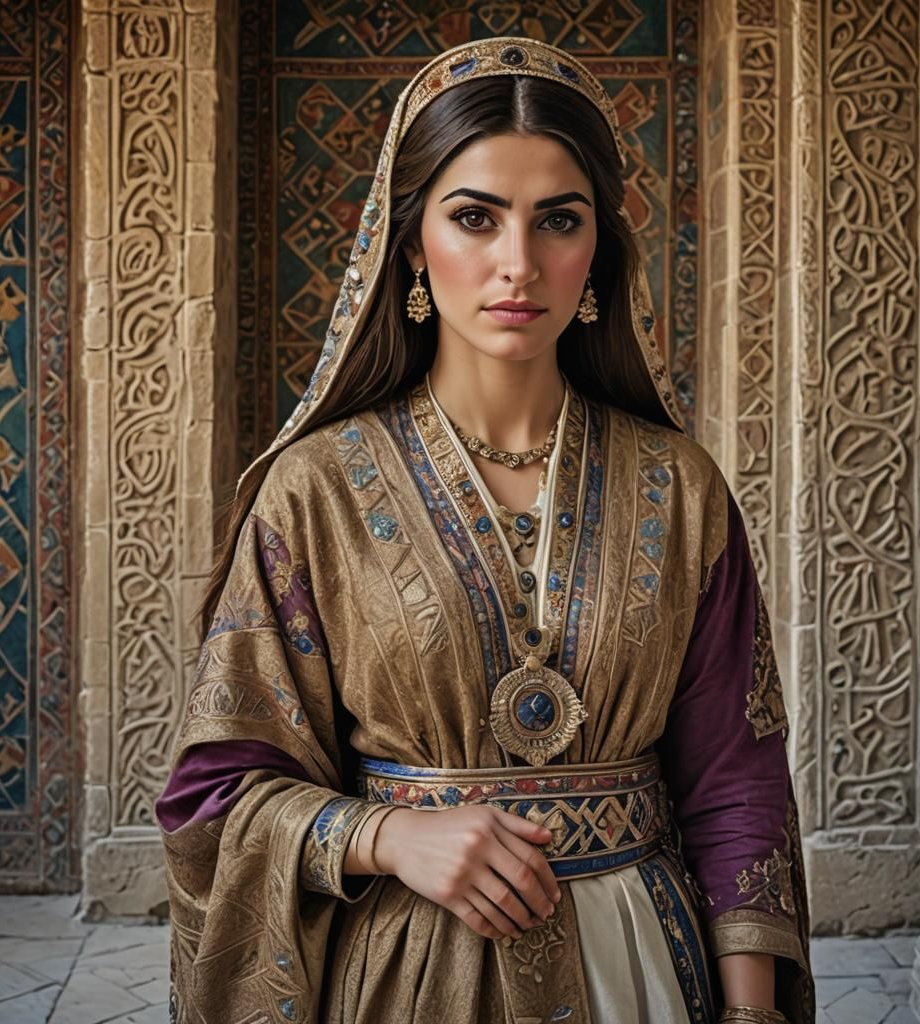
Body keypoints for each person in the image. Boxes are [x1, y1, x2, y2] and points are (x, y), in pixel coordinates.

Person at [155, 36, 814, 1024]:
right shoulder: (315, 492)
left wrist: (752, 1015)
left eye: (559, 220)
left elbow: (736, 778)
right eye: (475, 217)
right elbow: (215, 796)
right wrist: (386, 836)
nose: (519, 263)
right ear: (411, 244)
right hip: (408, 974)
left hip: (639, 969)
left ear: (598, 251)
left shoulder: (679, 490)